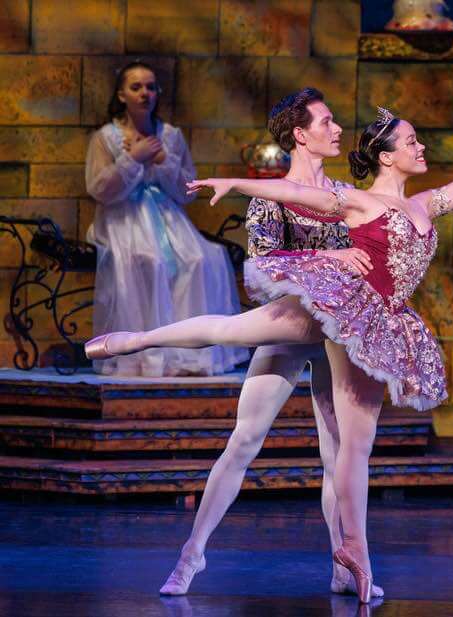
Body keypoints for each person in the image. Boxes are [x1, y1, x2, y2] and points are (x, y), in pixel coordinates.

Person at [86, 111, 453, 602]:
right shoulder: (351, 199)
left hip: (363, 325)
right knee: (241, 388)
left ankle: (348, 559)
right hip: (323, 306)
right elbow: (290, 206)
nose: (422, 148)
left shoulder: (423, 201)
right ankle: (138, 349)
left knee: (341, 449)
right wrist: (236, 183)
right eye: (412, 141)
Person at [156, 88, 382, 598]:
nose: (338, 129)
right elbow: (263, 268)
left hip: (338, 331)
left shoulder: (345, 195)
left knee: (339, 452)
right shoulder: (272, 196)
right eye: (327, 122)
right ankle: (192, 555)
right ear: (300, 134)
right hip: (289, 324)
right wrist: (329, 264)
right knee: (244, 440)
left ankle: (346, 566)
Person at [85, 61, 247, 376]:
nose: (145, 93)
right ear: (121, 95)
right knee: (148, 261)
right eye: (136, 87)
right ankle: (145, 353)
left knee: (202, 259)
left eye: (150, 87)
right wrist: (133, 159)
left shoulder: (170, 136)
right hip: (123, 217)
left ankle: (188, 353)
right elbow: (99, 188)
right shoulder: (105, 138)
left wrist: (162, 160)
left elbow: (187, 191)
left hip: (167, 218)